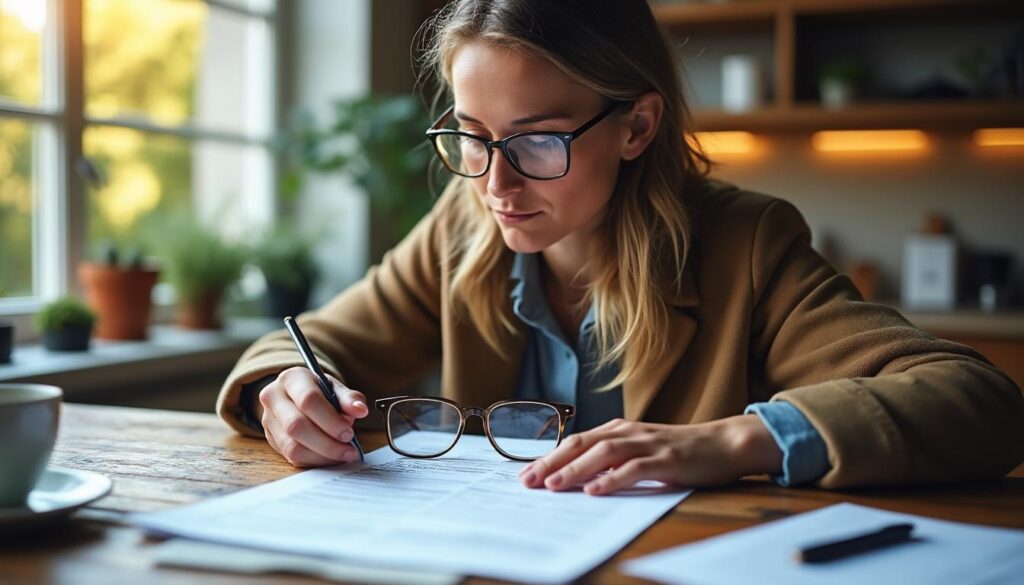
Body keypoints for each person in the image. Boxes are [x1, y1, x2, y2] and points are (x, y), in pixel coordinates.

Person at [216, 0, 1023, 493]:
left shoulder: (746, 245)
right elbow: (298, 347)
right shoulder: (460, 232)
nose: (495, 183)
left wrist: (729, 440)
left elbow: (980, 402)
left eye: (537, 141)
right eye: (472, 135)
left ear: (637, 125)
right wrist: (281, 394)